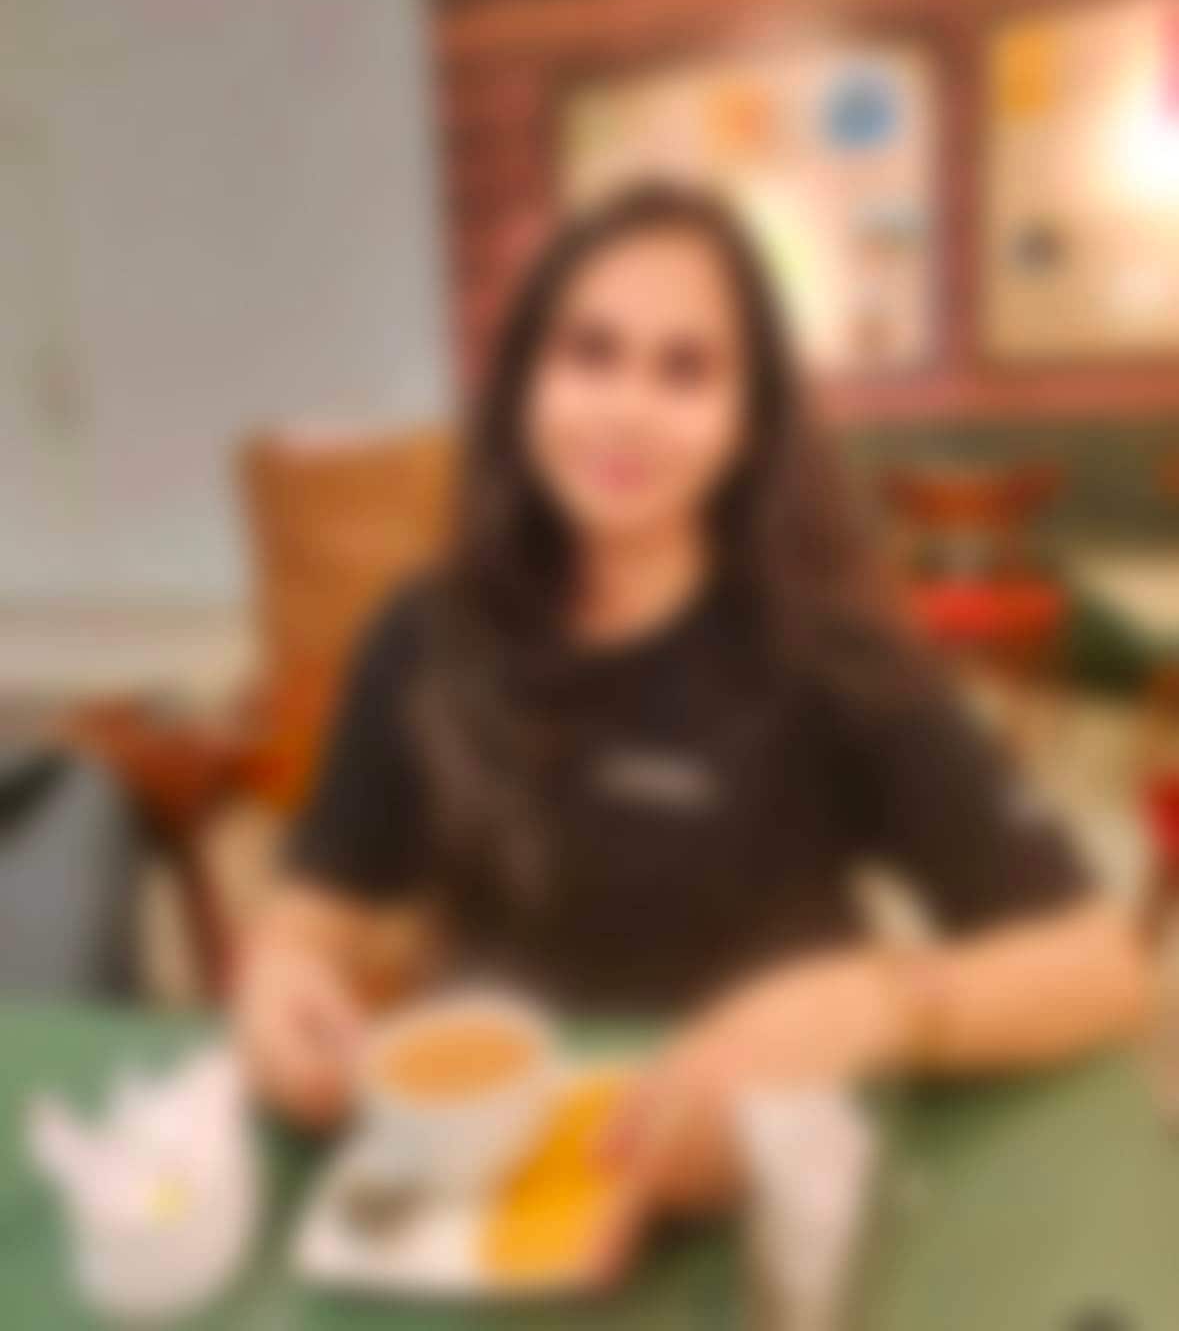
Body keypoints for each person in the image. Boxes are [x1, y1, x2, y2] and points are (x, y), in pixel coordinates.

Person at [236, 183, 1147, 1241]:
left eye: (685, 370)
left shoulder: (835, 654)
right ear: (524, 381)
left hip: (764, 1198)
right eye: (590, 353)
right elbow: (321, 900)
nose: (626, 408)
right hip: (493, 1195)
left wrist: (877, 1002)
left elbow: (1102, 967)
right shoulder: (424, 632)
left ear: (748, 421)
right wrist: (281, 971)